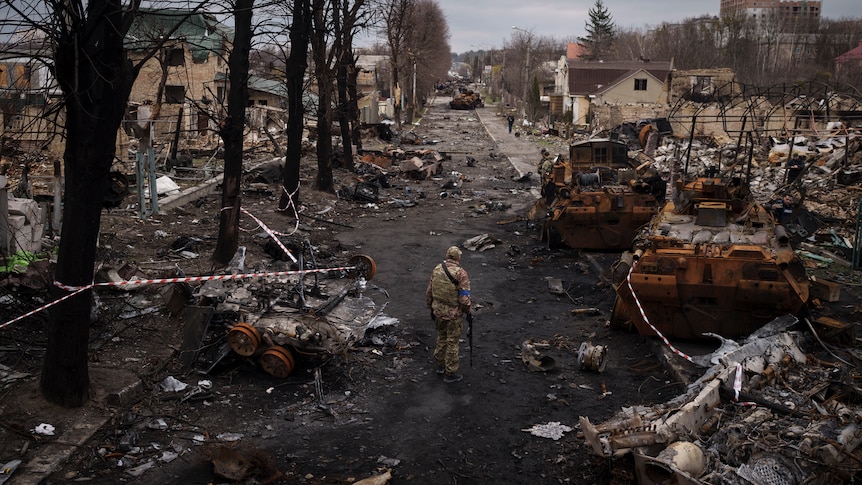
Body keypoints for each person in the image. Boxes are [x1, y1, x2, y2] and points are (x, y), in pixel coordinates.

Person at [426, 246, 472, 383]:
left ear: (447, 256)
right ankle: (450, 373)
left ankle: (439, 365)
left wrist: (431, 308)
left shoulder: (437, 269)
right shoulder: (461, 274)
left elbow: (429, 291)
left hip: (438, 312)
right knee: (452, 342)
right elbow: (464, 298)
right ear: (458, 257)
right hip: (453, 315)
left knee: (441, 337)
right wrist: (468, 311)